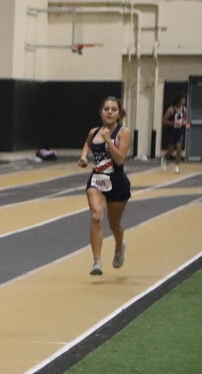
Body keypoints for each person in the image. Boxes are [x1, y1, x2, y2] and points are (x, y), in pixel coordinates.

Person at [78, 96, 130, 277]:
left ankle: (119, 246)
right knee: (96, 216)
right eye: (106, 109)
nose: (109, 112)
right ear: (101, 112)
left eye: (113, 109)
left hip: (117, 182)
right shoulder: (94, 132)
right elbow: (88, 143)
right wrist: (84, 156)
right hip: (97, 180)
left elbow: (120, 159)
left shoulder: (123, 132)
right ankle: (97, 261)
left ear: (119, 113)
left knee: (114, 224)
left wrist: (108, 140)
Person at [162, 94, 187, 174]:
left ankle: (176, 166)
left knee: (179, 149)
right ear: (178, 101)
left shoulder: (184, 110)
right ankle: (164, 158)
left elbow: (186, 121)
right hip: (171, 131)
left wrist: (185, 123)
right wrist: (174, 123)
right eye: (182, 100)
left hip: (179, 131)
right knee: (171, 150)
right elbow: (164, 121)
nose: (184, 101)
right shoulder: (171, 110)